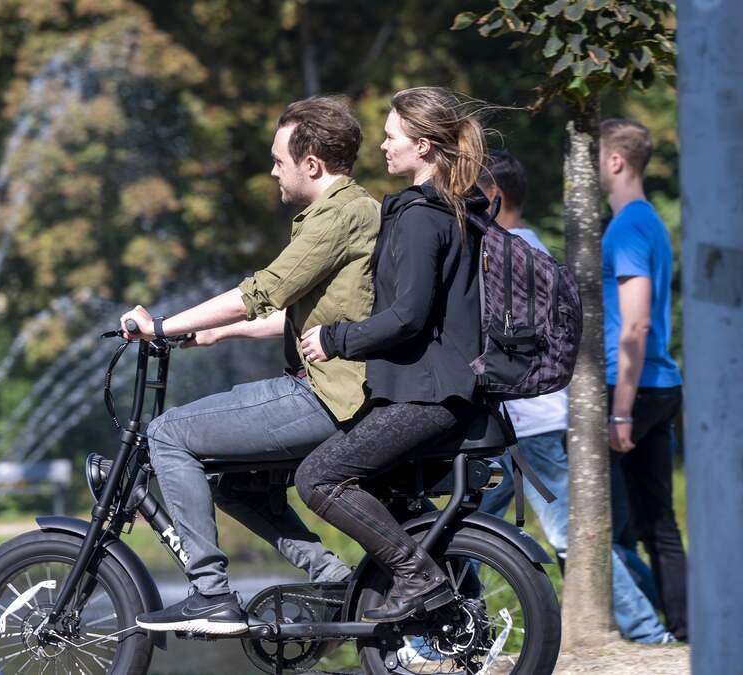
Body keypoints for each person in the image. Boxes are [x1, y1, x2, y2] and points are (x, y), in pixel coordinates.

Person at [119, 95, 381, 635]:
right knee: (235, 484)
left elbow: (263, 290)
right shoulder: (351, 212)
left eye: (279, 159)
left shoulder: (340, 215)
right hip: (332, 388)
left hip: (327, 394)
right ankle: (333, 578)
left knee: (169, 434)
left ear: (312, 164)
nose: (272, 170)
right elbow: (296, 309)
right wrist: (215, 331)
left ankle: (210, 595)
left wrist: (166, 326)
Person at [296, 86, 488, 624]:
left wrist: (337, 339)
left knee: (319, 479)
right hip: (435, 389)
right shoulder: (444, 208)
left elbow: (408, 315)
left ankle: (417, 575)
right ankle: (455, 599)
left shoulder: (424, 215)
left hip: (431, 394)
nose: (382, 146)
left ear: (424, 146)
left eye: (391, 137)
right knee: (388, 491)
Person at [475, 150, 673, 644]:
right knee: (473, 525)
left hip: (531, 423)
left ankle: (652, 634)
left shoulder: (501, 255)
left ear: (493, 198)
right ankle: (434, 632)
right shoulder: (535, 246)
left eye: (469, 193)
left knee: (571, 536)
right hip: (527, 419)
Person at [600, 117, 688, 641]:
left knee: (592, 518)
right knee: (658, 523)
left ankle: (641, 625)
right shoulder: (650, 221)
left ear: (615, 161)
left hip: (630, 386)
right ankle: (683, 625)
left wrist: (620, 409)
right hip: (661, 382)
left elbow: (635, 322)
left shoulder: (629, 226)